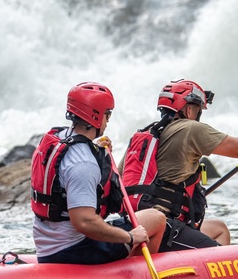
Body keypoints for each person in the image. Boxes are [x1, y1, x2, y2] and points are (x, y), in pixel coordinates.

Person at [120, 79, 238, 250]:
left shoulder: (143, 137)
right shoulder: (190, 128)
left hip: (135, 224)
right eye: (199, 110)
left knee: (219, 229)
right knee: (221, 258)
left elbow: (119, 180)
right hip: (163, 229)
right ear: (190, 109)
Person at [32, 82, 166, 264]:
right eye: (107, 115)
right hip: (73, 250)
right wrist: (130, 237)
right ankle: (137, 278)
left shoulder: (58, 138)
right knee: (156, 218)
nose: (108, 121)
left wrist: (96, 150)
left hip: (47, 244)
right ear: (96, 115)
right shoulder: (83, 163)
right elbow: (84, 222)